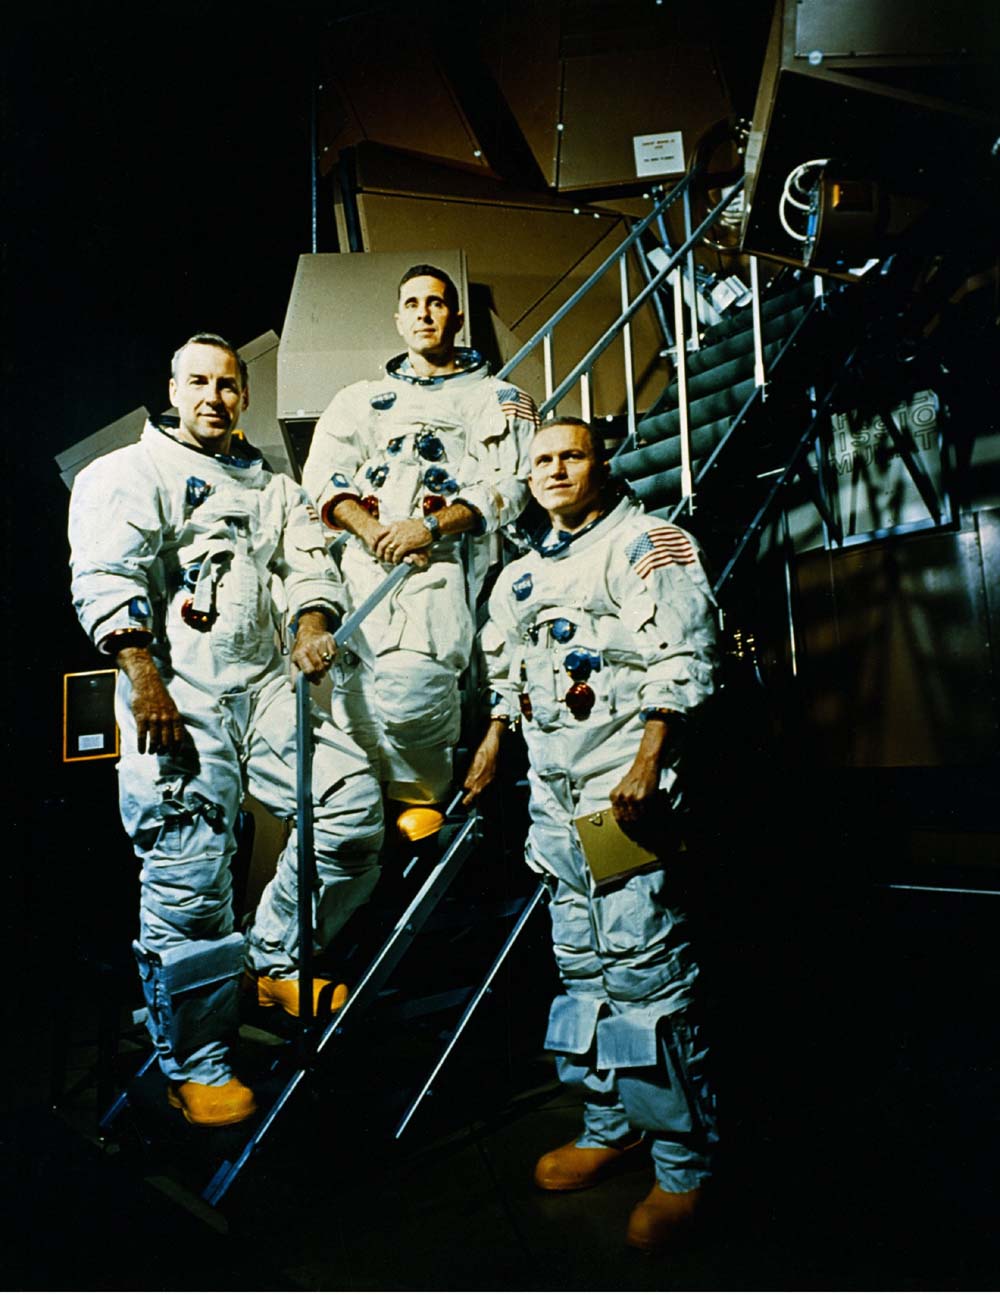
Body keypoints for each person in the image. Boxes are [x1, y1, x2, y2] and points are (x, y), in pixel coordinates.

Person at [68, 334, 384, 1128]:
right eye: (200, 383)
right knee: (190, 881)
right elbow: (108, 573)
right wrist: (144, 680)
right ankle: (198, 1061)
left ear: (244, 396)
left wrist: (311, 622)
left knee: (350, 810)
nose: (214, 397)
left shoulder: (271, 487)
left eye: (229, 384)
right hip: (178, 692)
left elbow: (308, 565)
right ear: (174, 389)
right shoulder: (130, 473)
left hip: (263, 685)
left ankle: (274, 958)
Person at [463, 417, 721, 1252]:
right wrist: (494, 738)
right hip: (554, 804)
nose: (554, 469)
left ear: (600, 463)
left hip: (619, 800)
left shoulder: (647, 544)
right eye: (540, 460)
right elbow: (510, 671)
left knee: (642, 966)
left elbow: (683, 657)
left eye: (570, 455)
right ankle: (610, 1123)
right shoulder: (521, 576)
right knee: (581, 968)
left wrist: (648, 762)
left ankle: (683, 1162)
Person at [301, 265, 537, 838]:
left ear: (456, 317)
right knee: (356, 715)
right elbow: (323, 475)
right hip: (361, 571)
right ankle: (368, 833)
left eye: (436, 303)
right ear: (399, 319)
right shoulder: (361, 399)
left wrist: (429, 528)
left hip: (440, 569)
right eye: (412, 304)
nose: (424, 313)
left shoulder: (500, 398)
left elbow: (511, 485)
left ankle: (426, 816)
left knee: (415, 700)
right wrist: (371, 530)